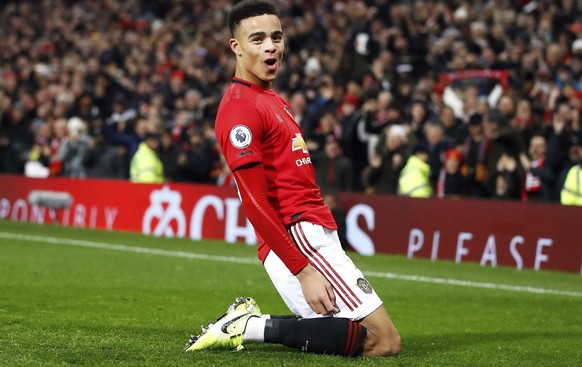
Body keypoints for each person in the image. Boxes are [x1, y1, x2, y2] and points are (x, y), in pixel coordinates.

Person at [185, 0, 400, 357]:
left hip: (310, 231)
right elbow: (254, 202)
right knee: (383, 341)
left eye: (276, 37)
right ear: (235, 47)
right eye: (257, 39)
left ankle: (245, 323)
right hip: (298, 236)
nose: (271, 46)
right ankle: (251, 327)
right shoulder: (240, 107)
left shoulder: (271, 99)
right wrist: (302, 270)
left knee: (352, 334)